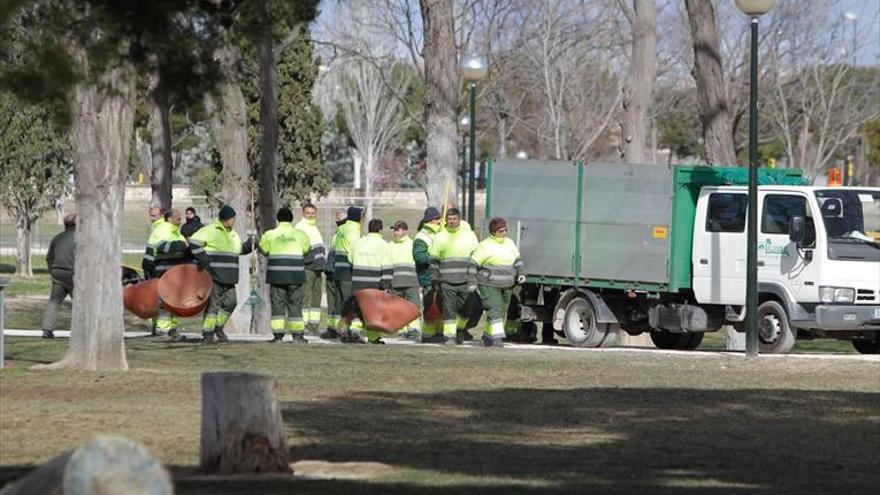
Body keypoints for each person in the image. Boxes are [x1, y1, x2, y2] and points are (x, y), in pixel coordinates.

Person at [189, 205, 254, 344]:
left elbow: (239, 250)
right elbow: (194, 242)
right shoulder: (210, 230)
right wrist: (204, 259)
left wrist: (250, 244)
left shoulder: (233, 234)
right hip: (214, 274)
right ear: (227, 219)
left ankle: (217, 327)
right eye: (233, 218)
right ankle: (208, 334)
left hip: (230, 276)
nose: (234, 221)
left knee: (232, 302)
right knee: (213, 306)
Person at [469, 217, 525, 347]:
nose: (504, 233)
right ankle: (497, 339)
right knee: (494, 310)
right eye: (501, 231)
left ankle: (488, 336)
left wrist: (521, 272)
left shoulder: (510, 243)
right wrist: (471, 281)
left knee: (500, 312)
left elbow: (517, 259)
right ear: (493, 232)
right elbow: (473, 264)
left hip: (507, 285)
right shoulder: (485, 245)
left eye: (505, 230)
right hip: (489, 285)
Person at [259, 207, 311, 343]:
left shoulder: (269, 234)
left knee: (277, 306)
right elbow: (306, 250)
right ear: (291, 219)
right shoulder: (301, 234)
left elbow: (263, 250)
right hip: (295, 276)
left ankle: (277, 336)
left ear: (278, 219)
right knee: (295, 305)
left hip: (277, 276)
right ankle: (298, 336)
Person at [429, 207, 479, 345]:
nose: (451, 222)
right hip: (446, 281)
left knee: (466, 309)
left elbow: (476, 257)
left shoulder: (469, 236)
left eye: (454, 219)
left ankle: (460, 328)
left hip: (465, 280)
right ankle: (449, 337)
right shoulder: (440, 237)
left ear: (459, 220)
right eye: (449, 219)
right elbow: (433, 260)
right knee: (449, 310)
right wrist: (434, 277)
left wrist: (474, 277)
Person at [324, 206, 362, 339]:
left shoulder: (341, 229)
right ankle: (345, 331)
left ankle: (339, 329)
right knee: (348, 301)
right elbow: (354, 251)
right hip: (347, 271)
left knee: (340, 302)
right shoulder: (353, 230)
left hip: (338, 271)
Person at [348, 218, 388, 344]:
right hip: (374, 283)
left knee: (358, 308)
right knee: (373, 312)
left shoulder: (357, 243)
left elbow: (350, 259)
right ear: (381, 230)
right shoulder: (383, 245)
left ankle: (355, 329)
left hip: (358, 282)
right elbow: (387, 267)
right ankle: (374, 338)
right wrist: (386, 285)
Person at [152, 209, 190, 340]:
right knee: (165, 301)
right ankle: (162, 331)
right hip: (165, 271)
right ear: (170, 219)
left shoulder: (176, 232)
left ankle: (172, 330)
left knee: (175, 302)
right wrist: (183, 244)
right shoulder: (163, 230)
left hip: (176, 272)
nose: (181, 221)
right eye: (178, 219)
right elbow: (164, 247)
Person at [382, 220, 422, 342]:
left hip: (411, 282)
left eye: (398, 230)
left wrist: (420, 282)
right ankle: (402, 330)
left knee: (413, 307)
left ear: (405, 231)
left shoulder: (413, 244)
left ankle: (414, 330)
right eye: (394, 229)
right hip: (395, 283)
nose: (395, 232)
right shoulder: (389, 246)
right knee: (398, 308)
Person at [41, 213, 76, 339]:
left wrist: (52, 271)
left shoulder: (57, 238)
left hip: (58, 274)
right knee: (79, 303)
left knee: (54, 302)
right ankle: (79, 330)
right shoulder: (81, 238)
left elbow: (49, 258)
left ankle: (47, 330)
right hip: (74, 274)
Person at [294, 203, 325, 335]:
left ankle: (314, 325)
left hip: (318, 267)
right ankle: (304, 325)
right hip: (308, 266)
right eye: (308, 213)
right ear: (303, 214)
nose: (311, 215)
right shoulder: (300, 227)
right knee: (306, 296)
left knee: (317, 296)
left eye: (313, 213)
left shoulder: (314, 227)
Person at [413, 207, 443, 342]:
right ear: (431, 220)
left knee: (441, 306)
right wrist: (433, 256)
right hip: (428, 276)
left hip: (442, 276)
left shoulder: (442, 233)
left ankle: (439, 332)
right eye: (438, 219)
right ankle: (428, 334)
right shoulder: (422, 236)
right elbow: (419, 257)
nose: (440, 221)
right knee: (430, 305)